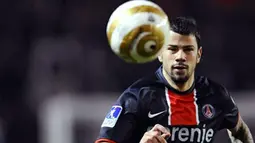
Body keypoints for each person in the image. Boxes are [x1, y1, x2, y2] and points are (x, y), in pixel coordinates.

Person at [94, 17, 254, 143]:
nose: (180, 57)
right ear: (159, 53)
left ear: (198, 55)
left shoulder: (216, 95)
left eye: (188, 50)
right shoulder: (136, 98)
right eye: (172, 49)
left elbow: (239, 130)